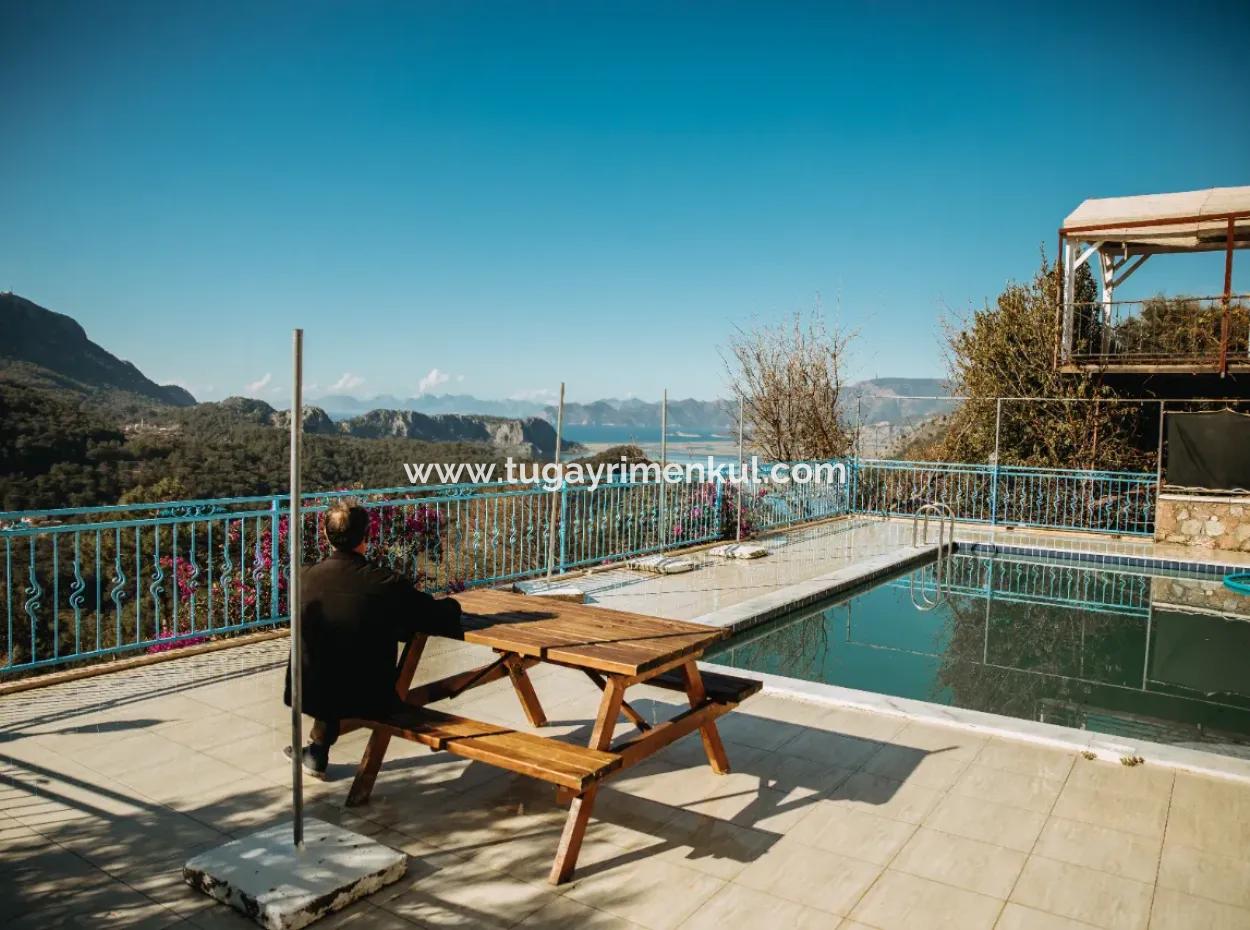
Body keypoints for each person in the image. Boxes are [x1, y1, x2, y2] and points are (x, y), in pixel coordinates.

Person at [283, 501, 463, 779]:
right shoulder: (382, 583)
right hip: (369, 695)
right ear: (366, 537)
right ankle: (323, 751)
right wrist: (454, 606)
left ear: (326, 535)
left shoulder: (304, 577)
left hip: (307, 691)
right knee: (371, 674)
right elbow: (436, 617)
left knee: (337, 661)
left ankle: (318, 751)